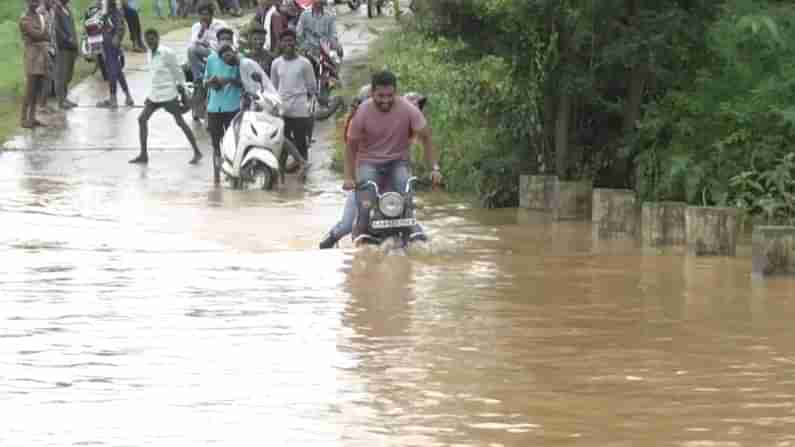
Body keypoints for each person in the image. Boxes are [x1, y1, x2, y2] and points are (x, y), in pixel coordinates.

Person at [319, 86, 430, 249]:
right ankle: (326, 244)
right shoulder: (357, 126)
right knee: (347, 224)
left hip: (393, 181)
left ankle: (421, 246)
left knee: (408, 216)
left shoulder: (401, 125)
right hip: (366, 182)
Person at [344, 70, 442, 242]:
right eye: (380, 96)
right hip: (369, 162)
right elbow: (351, 147)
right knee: (365, 201)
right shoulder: (362, 112)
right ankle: (360, 231)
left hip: (398, 162)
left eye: (390, 95)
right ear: (372, 92)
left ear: (395, 92)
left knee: (405, 188)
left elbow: (426, 137)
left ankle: (412, 230)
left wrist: (434, 169)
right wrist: (349, 177)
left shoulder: (408, 109)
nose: (385, 100)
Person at [130, 29, 203, 165]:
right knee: (142, 119)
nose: (150, 42)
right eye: (147, 40)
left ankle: (197, 152)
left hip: (168, 94)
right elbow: (154, 76)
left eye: (152, 39)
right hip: (154, 95)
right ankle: (143, 154)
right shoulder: (149, 53)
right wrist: (149, 95)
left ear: (158, 38)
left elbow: (178, 73)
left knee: (180, 122)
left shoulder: (167, 53)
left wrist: (184, 91)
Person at [270, 29, 316, 162]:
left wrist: (309, 107)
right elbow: (273, 87)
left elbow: (311, 87)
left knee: (301, 142)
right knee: (282, 144)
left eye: (291, 40)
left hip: (299, 110)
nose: (288, 43)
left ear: (295, 42)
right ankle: (282, 176)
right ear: (280, 44)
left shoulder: (305, 63)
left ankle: (303, 171)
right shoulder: (276, 63)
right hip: (282, 109)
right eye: (285, 41)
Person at [205, 43, 242, 184]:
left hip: (232, 107)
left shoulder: (239, 61)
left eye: (228, 40)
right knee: (215, 145)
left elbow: (244, 83)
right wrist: (212, 82)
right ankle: (217, 177)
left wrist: (229, 80)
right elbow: (205, 82)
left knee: (233, 144)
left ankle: (234, 173)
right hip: (214, 108)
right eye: (221, 40)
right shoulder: (210, 59)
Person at [187, 2, 229, 121]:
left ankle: (199, 78)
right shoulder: (196, 26)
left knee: (194, 50)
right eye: (201, 15)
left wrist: (209, 44)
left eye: (206, 14)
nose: (203, 17)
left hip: (218, 56)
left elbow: (226, 45)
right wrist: (202, 31)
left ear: (212, 14)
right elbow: (192, 44)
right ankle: (198, 78)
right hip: (203, 59)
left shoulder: (220, 25)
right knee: (191, 50)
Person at [96, 0, 134, 108]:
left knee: (112, 70)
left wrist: (117, 36)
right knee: (117, 70)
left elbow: (117, 23)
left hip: (110, 41)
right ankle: (127, 96)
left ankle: (114, 99)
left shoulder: (113, 10)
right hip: (110, 40)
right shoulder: (113, 11)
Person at [19, 0, 50, 129]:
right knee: (29, 89)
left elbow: (45, 35)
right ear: (27, 3)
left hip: (41, 56)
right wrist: (44, 33)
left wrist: (43, 34)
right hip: (32, 57)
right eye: (32, 1)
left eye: (37, 1)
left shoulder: (39, 17)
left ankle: (32, 118)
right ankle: (23, 119)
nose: (35, 3)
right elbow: (36, 35)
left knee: (36, 89)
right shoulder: (24, 19)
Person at [53, 0, 78, 110]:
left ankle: (65, 98)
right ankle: (61, 101)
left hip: (71, 46)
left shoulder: (67, 9)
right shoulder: (56, 10)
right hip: (62, 47)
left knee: (68, 74)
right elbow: (57, 29)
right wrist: (68, 39)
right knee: (61, 75)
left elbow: (72, 28)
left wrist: (75, 42)